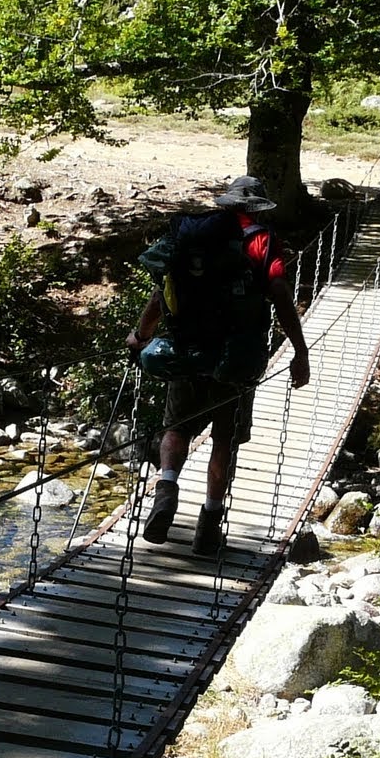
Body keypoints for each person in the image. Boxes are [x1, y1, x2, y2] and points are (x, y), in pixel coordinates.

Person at [126, 175, 311, 556]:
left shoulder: (194, 240)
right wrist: (300, 351)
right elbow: (279, 295)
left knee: (176, 427)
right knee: (224, 438)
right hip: (235, 356)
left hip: (186, 349)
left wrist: (140, 336)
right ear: (259, 206)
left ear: (226, 204)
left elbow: (163, 296)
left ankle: (166, 492)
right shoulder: (263, 242)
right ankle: (208, 526)